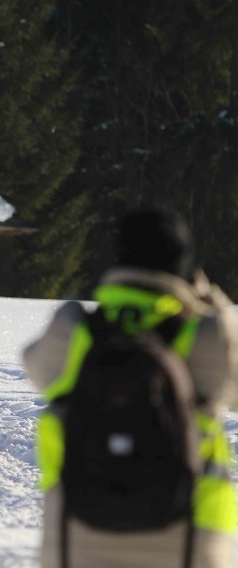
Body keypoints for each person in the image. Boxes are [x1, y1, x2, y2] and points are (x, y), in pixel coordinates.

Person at [23, 206, 238, 568]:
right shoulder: (206, 334)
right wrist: (209, 300)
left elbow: (33, 363)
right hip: (189, 540)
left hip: (78, 537)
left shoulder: (75, 329)